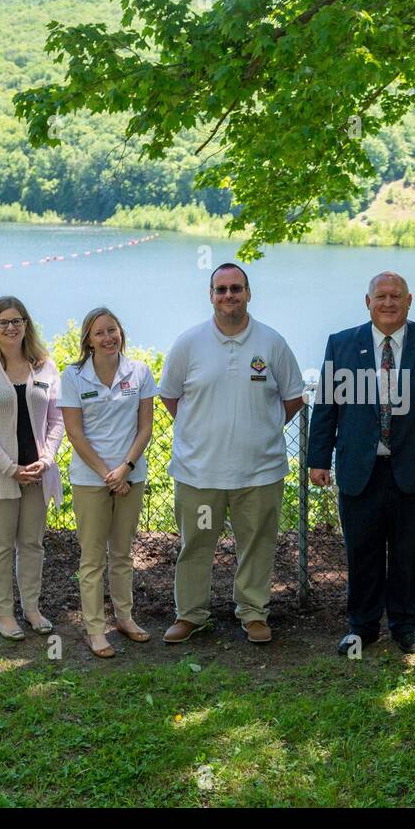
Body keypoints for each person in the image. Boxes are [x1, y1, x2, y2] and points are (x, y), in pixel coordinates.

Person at [308, 271, 415, 655]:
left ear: (409, 300)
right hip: (359, 469)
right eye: (380, 296)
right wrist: (319, 458)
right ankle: (362, 627)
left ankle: (404, 625)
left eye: (396, 296)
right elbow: (326, 406)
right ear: (368, 302)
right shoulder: (343, 344)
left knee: (406, 551)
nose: (388, 302)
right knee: (361, 551)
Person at [158, 264, 305, 645]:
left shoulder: (272, 343)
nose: (228, 295)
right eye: (220, 289)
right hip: (200, 475)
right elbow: (170, 397)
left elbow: (292, 398)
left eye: (235, 288)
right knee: (197, 544)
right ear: (211, 295)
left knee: (257, 545)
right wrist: (205, 433)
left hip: (259, 474)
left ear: (249, 293)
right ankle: (190, 615)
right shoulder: (189, 344)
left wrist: (259, 431)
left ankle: (253, 613)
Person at [0, 296, 65, 641]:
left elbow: (56, 418)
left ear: (26, 324)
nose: (11, 327)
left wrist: (46, 458)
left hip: (37, 473)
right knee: (1, 546)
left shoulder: (44, 366)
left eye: (17, 320)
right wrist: (9, 467)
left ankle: (32, 609)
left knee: (33, 544)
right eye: (3, 322)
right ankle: (3, 614)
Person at [59, 307, 157, 658]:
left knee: (122, 554)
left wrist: (126, 468)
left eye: (112, 330)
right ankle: (95, 629)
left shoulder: (140, 372)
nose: (108, 338)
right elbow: (74, 433)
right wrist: (107, 473)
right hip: (91, 479)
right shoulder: (72, 377)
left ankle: (125, 618)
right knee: (92, 558)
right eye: (99, 333)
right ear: (88, 339)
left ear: (121, 333)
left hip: (132, 475)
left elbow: (145, 427)